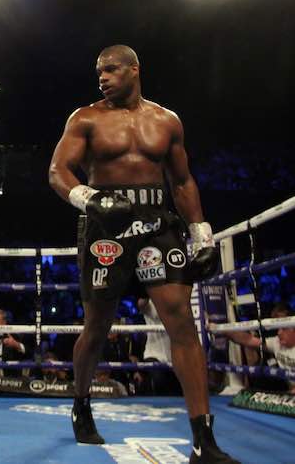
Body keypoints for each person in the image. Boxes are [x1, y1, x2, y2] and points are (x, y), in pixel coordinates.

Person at [48, 45, 237, 463]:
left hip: (157, 224)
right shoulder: (86, 118)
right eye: (99, 71)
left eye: (111, 69)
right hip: (105, 227)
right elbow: (58, 171)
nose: (103, 77)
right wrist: (89, 198)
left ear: (134, 69)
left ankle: (203, 441)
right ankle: (81, 401)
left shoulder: (166, 121)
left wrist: (201, 235)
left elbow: (183, 181)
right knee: (97, 326)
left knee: (182, 323)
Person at [219, 304, 295, 393]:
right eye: (278, 328)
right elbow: (249, 340)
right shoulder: (277, 342)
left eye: (284, 329)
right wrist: (221, 330)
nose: (279, 333)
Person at [138, 298, 182, 395]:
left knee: (178, 390)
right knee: (159, 380)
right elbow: (141, 304)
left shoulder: (176, 303)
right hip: (153, 354)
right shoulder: (150, 303)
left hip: (174, 356)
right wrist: (146, 290)